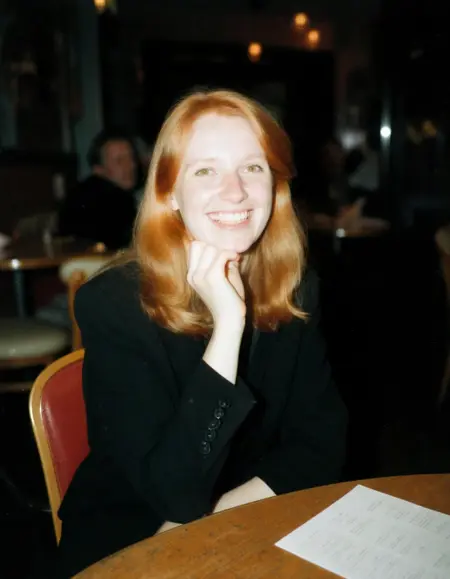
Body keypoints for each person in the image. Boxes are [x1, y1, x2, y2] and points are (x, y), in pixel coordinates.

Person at [54, 90, 347, 576]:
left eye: (252, 167)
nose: (235, 191)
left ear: (275, 184)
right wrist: (228, 328)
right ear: (169, 192)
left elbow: (322, 444)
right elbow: (172, 493)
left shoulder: (297, 288)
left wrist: (218, 516)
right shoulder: (112, 303)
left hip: (246, 520)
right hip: (129, 540)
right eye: (206, 170)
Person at [58, 129, 138, 250]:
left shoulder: (76, 194)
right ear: (98, 169)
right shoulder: (118, 200)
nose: (131, 165)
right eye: (119, 161)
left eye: (131, 158)